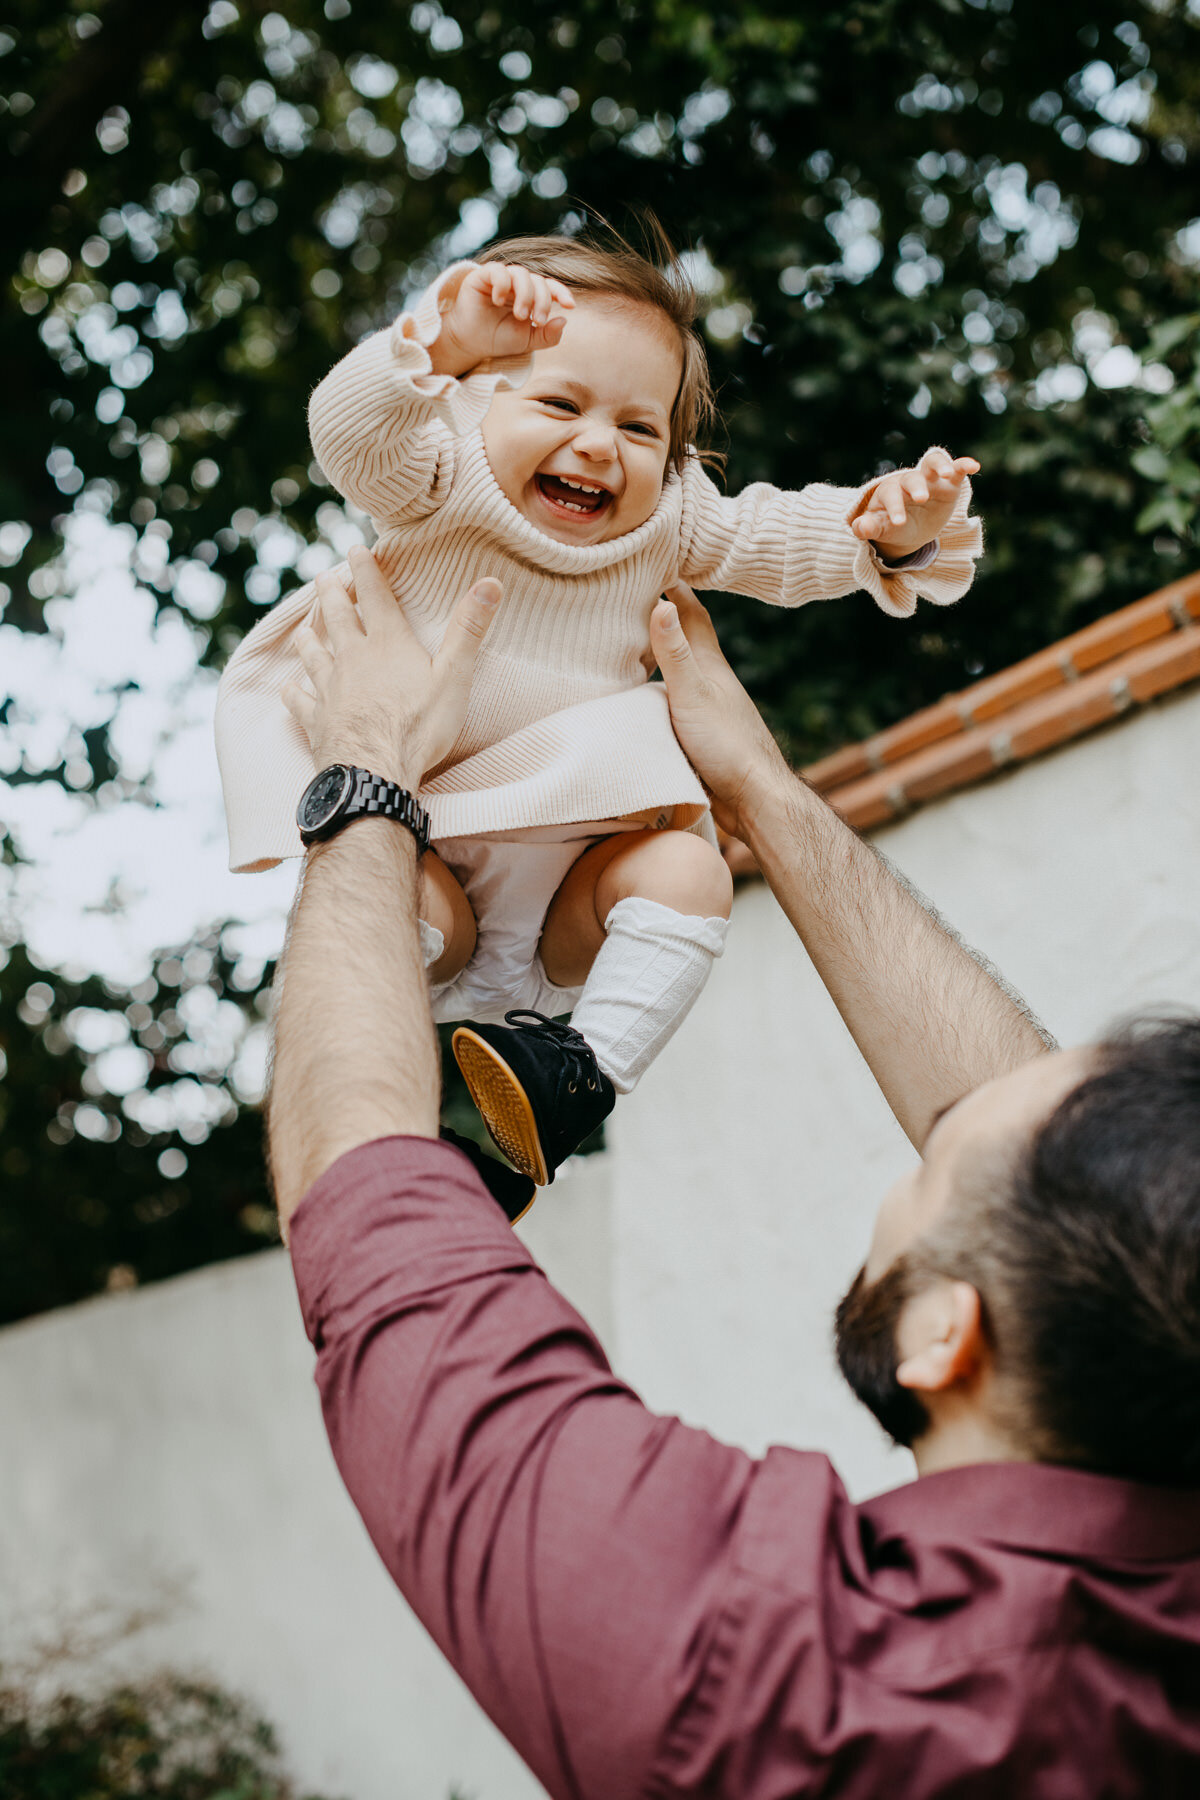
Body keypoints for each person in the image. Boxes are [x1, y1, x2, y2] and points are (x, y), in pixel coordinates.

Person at [268, 548, 1200, 1799]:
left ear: (942, 1335)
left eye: (937, 1161)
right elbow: (1070, 1181)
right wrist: (758, 788)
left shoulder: (784, 1687)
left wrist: (367, 769)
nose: (943, 1123)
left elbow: (367, 1200)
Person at [218, 228, 982, 1193]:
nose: (597, 444)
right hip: (424, 851)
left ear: (672, 455)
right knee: (390, 908)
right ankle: (394, 1122)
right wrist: (439, 347)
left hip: (573, 896)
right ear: (476, 401)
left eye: (638, 427)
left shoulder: (669, 516)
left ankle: (573, 1079)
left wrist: (882, 528)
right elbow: (351, 435)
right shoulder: (439, 474)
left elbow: (769, 536)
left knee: (691, 871)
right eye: (558, 402)